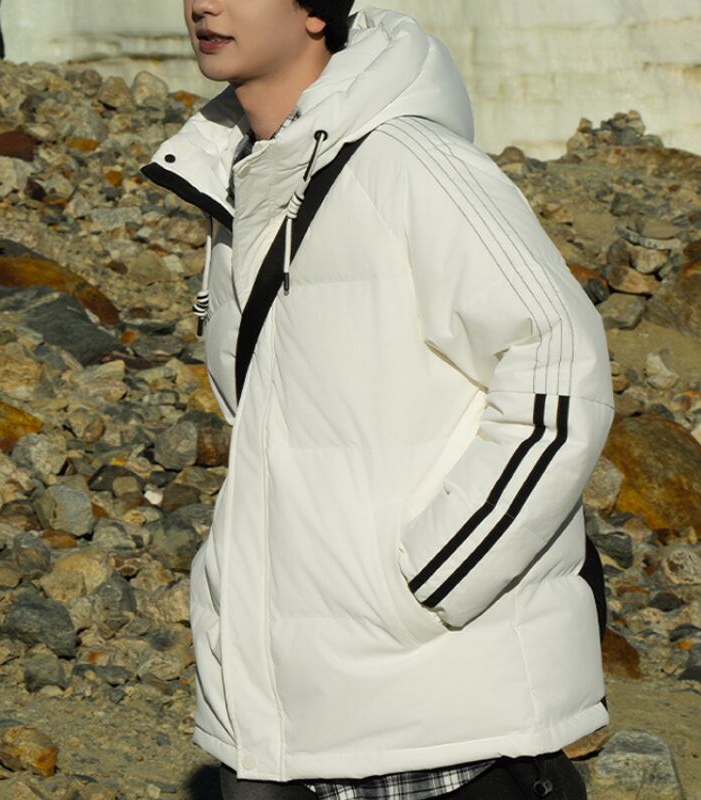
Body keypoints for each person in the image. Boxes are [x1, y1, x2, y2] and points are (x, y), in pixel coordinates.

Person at [142, 2, 614, 798]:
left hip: (439, 713)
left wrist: (436, 576)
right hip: (280, 714)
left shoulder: (410, 162)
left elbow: (559, 363)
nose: (204, 4)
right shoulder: (245, 177)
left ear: (315, 12)